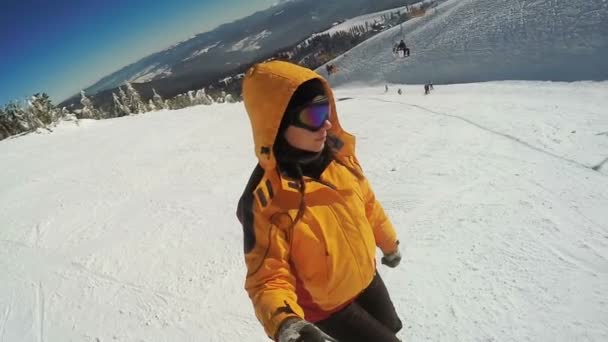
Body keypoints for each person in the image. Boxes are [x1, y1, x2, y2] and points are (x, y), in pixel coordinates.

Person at [237, 60, 403, 342]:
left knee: (391, 327)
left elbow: (368, 205)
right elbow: (267, 277)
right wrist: (285, 322)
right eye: (314, 115)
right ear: (278, 123)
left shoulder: (340, 157)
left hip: (367, 278)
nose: (326, 124)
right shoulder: (267, 201)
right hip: (328, 307)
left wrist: (388, 243)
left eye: (326, 109)